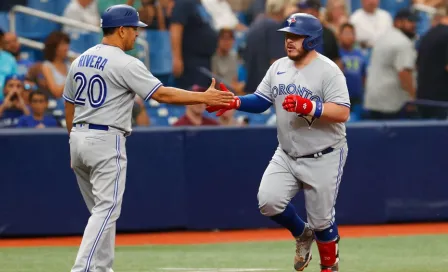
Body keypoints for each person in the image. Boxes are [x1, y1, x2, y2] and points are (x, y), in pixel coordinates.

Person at [63, 5, 233, 272]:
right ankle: (82, 269)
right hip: (106, 139)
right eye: (134, 29)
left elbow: (69, 104)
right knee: (106, 211)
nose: (137, 35)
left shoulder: (79, 59)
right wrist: (203, 97)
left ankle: (101, 269)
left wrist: (74, 138)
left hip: (79, 138)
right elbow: (162, 94)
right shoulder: (125, 62)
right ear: (120, 30)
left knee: (101, 213)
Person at [207, 13, 350, 272]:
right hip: (287, 153)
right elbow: (262, 100)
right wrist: (235, 101)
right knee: (268, 201)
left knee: (321, 221)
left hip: (324, 154)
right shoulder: (278, 67)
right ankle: (301, 233)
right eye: (287, 36)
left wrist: (311, 106)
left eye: (296, 37)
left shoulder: (329, 71)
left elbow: (342, 112)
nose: (289, 41)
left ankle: (329, 266)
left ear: (311, 40)